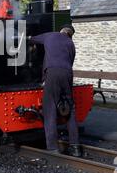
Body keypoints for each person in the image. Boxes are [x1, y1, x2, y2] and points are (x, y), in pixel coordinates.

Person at [29, 24, 82, 157]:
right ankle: (75, 147)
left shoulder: (51, 35)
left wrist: (29, 39)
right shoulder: (71, 44)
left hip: (52, 73)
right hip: (67, 74)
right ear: (70, 34)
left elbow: (33, 39)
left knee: (50, 109)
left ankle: (53, 147)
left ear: (61, 30)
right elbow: (70, 62)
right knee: (70, 109)